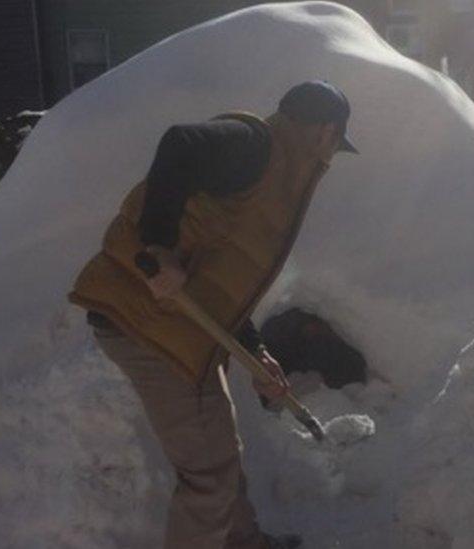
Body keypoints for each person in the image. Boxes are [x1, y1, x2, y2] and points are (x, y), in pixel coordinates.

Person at [67, 81, 358, 549]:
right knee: (209, 478)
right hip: (147, 323)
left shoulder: (270, 172)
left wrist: (255, 351)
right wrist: (159, 247)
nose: (328, 159)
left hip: (178, 324)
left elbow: (215, 281)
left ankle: (242, 542)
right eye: (334, 146)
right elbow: (180, 142)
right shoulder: (255, 147)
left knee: (220, 455)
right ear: (325, 132)